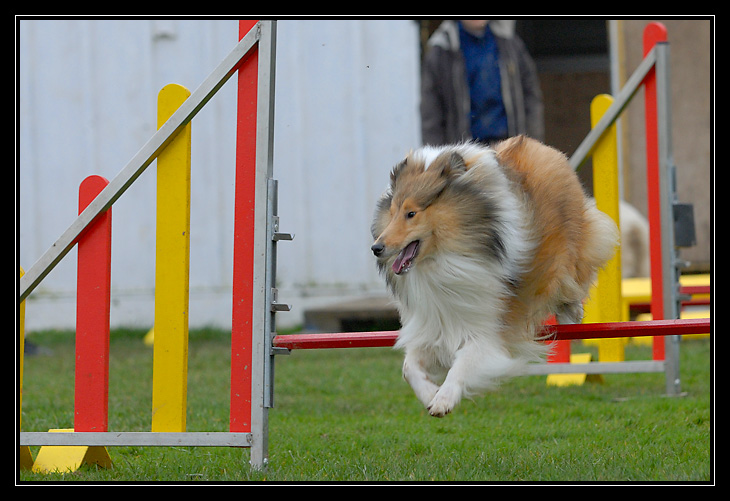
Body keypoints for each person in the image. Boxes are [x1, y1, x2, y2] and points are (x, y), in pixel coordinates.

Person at [420, 20, 544, 146]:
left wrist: (532, 142)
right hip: (467, 152)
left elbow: (531, 96)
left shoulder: (510, 44)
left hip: (509, 146)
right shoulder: (442, 51)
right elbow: (430, 114)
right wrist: (437, 157)